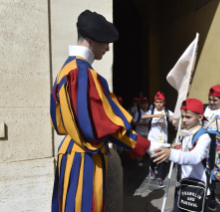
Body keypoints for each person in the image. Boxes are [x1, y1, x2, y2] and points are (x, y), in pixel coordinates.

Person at [50, 10, 152, 212]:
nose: (107, 47)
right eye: (104, 41)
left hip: (69, 152)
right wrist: (143, 145)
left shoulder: (65, 69)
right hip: (85, 159)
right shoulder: (84, 73)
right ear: (90, 40)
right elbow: (101, 127)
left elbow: (58, 122)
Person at [151, 98, 212, 212]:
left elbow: (195, 157)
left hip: (198, 189)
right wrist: (177, 147)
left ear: (199, 117)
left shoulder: (204, 137)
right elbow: (185, 149)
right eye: (183, 116)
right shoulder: (186, 131)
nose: (184, 120)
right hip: (182, 186)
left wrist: (172, 154)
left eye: (188, 117)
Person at [142, 91, 174, 188]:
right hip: (152, 139)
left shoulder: (167, 111)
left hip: (162, 140)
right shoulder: (151, 110)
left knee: (162, 158)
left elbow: (174, 118)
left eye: (161, 102)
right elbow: (143, 117)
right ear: (154, 102)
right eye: (157, 102)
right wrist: (156, 115)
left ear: (164, 102)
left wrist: (173, 119)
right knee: (153, 157)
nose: (159, 104)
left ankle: (160, 177)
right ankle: (151, 168)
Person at [132, 97, 150, 166]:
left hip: (147, 132)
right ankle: (139, 160)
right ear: (140, 104)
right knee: (139, 148)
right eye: (143, 103)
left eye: (146, 103)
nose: (144, 105)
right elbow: (133, 123)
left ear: (148, 104)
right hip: (139, 133)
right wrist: (142, 124)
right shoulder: (138, 112)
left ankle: (149, 158)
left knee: (147, 146)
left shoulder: (149, 112)